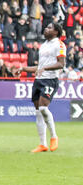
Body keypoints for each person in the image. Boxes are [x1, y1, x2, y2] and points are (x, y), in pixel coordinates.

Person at [13, 23, 66, 153]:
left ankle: (54, 137)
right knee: (38, 112)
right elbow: (40, 68)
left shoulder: (59, 45)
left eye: (49, 28)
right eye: (46, 27)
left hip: (50, 80)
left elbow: (61, 64)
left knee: (43, 107)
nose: (46, 29)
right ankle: (43, 144)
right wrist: (23, 69)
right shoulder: (44, 46)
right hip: (39, 80)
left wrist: (45, 69)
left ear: (56, 32)